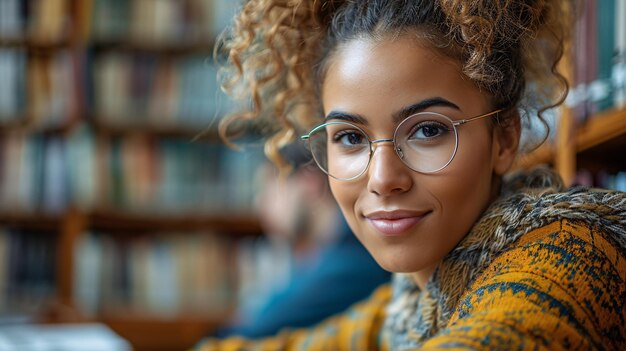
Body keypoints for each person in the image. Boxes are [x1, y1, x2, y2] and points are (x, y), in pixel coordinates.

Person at [197, 0, 626, 350]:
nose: (383, 179)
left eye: (428, 130)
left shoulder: (574, 252)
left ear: (504, 138)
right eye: (349, 137)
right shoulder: (411, 303)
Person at [214, 144, 390, 338]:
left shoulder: (354, 257)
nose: (259, 204)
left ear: (309, 182)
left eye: (268, 187)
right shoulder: (323, 252)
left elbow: (252, 330)